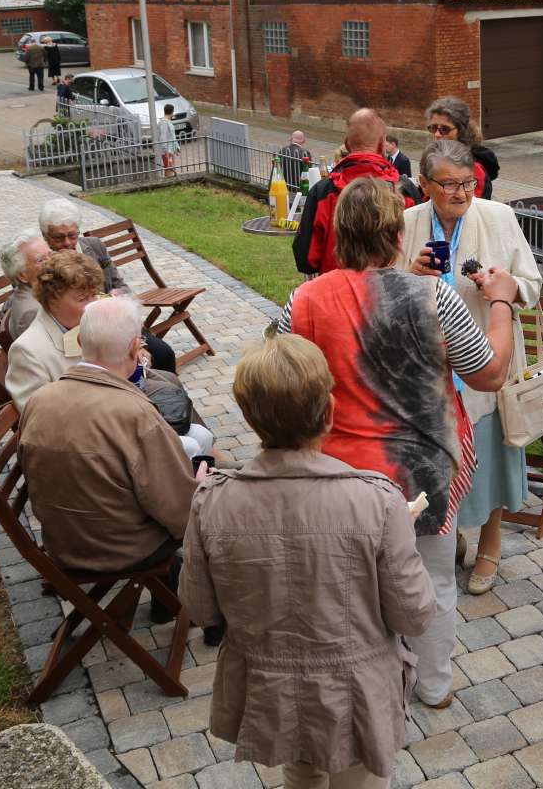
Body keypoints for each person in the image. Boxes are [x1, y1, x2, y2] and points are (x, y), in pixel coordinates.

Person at [276, 176, 518, 709]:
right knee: (431, 578)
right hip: (422, 471)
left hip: (338, 474)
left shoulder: (305, 299)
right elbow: (491, 374)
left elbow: (277, 371)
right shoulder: (435, 299)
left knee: (349, 586)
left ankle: (365, 686)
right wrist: (501, 302)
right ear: (395, 235)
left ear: (340, 233)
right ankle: (433, 685)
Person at [181, 334, 436, 789]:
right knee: (358, 778)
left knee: (299, 771)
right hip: (355, 688)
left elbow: (200, 609)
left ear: (248, 415)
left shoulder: (212, 501)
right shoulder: (374, 500)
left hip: (272, 684)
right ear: (329, 412)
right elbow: (413, 613)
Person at [400, 139, 541, 595]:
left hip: (485, 358)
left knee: (490, 458)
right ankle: (453, 534)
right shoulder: (408, 223)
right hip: (429, 368)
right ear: (425, 185)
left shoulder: (498, 218)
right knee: (442, 460)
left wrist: (506, 288)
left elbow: (532, 284)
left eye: (468, 183)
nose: (461, 193)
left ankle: (491, 543)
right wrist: (411, 274)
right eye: (450, 185)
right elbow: (386, 285)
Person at [18, 297, 201, 576]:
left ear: (80, 342)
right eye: (141, 344)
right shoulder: (135, 413)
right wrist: (199, 489)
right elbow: (179, 512)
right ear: (133, 349)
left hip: (63, 542)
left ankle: (169, 592)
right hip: (123, 548)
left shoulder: (40, 398)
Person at [38, 198, 177, 373]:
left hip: (117, 323)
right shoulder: (45, 266)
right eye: (58, 237)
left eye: (72, 235)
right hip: (84, 337)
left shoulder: (94, 247)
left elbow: (121, 285)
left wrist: (118, 294)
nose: (67, 243)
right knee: (132, 366)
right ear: (45, 236)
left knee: (164, 354)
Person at [292, 109, 422, 276]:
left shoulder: (323, 192)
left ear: (346, 144)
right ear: (382, 144)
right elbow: (419, 248)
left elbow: (306, 260)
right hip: (396, 294)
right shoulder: (405, 191)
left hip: (336, 294)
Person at [5, 250, 103, 409]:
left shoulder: (83, 323)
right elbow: (40, 419)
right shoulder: (27, 352)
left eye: (94, 295)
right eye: (83, 298)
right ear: (53, 301)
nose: (93, 305)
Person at [425, 96, 498, 199]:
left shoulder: (474, 168)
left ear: (461, 131)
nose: (437, 134)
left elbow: (468, 206)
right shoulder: (433, 157)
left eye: (445, 129)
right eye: (433, 128)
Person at [0, 229, 51, 341]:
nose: (51, 263)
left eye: (50, 254)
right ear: (23, 275)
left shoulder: (39, 292)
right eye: (41, 260)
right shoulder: (32, 313)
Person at [157, 103, 180, 177]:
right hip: (167, 150)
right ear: (172, 112)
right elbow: (163, 137)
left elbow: (172, 136)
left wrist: (176, 147)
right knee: (168, 167)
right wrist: (165, 150)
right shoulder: (164, 122)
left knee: (170, 167)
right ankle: (168, 182)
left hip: (171, 149)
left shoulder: (168, 121)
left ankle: (170, 181)